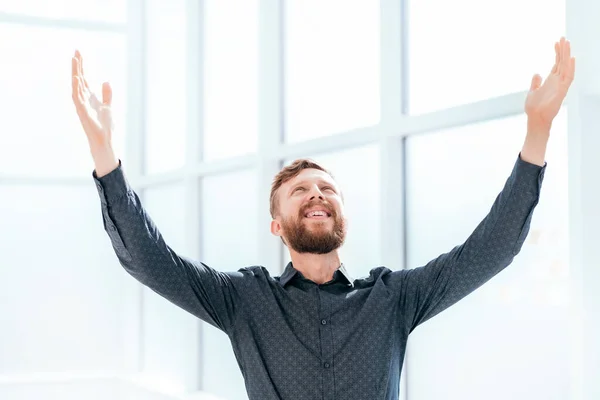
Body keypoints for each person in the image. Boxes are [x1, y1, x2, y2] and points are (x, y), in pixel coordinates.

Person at [71, 37, 575, 400]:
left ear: (341, 214)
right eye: (299, 190)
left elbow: (493, 248)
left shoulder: (392, 299)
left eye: (327, 188)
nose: (316, 194)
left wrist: (537, 132)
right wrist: (103, 151)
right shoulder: (244, 300)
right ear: (277, 225)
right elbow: (147, 259)